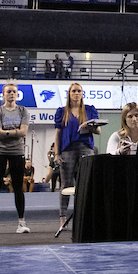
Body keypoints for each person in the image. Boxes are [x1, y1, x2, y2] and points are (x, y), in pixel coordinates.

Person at [0, 82, 31, 235]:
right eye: (9, 91)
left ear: (17, 94)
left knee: (18, 187)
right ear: (3, 94)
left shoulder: (23, 111)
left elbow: (24, 132)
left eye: (14, 92)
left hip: (17, 151)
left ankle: (21, 223)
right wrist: (14, 132)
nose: (11, 94)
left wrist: (6, 132)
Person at [54, 82, 101, 228]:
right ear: (69, 93)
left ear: (82, 93)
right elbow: (58, 133)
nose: (76, 93)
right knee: (66, 184)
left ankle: (84, 217)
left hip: (85, 147)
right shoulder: (62, 111)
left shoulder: (89, 110)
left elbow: (98, 131)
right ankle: (63, 218)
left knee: (85, 183)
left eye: (79, 91)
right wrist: (57, 153)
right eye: (74, 91)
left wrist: (90, 127)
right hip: (67, 149)